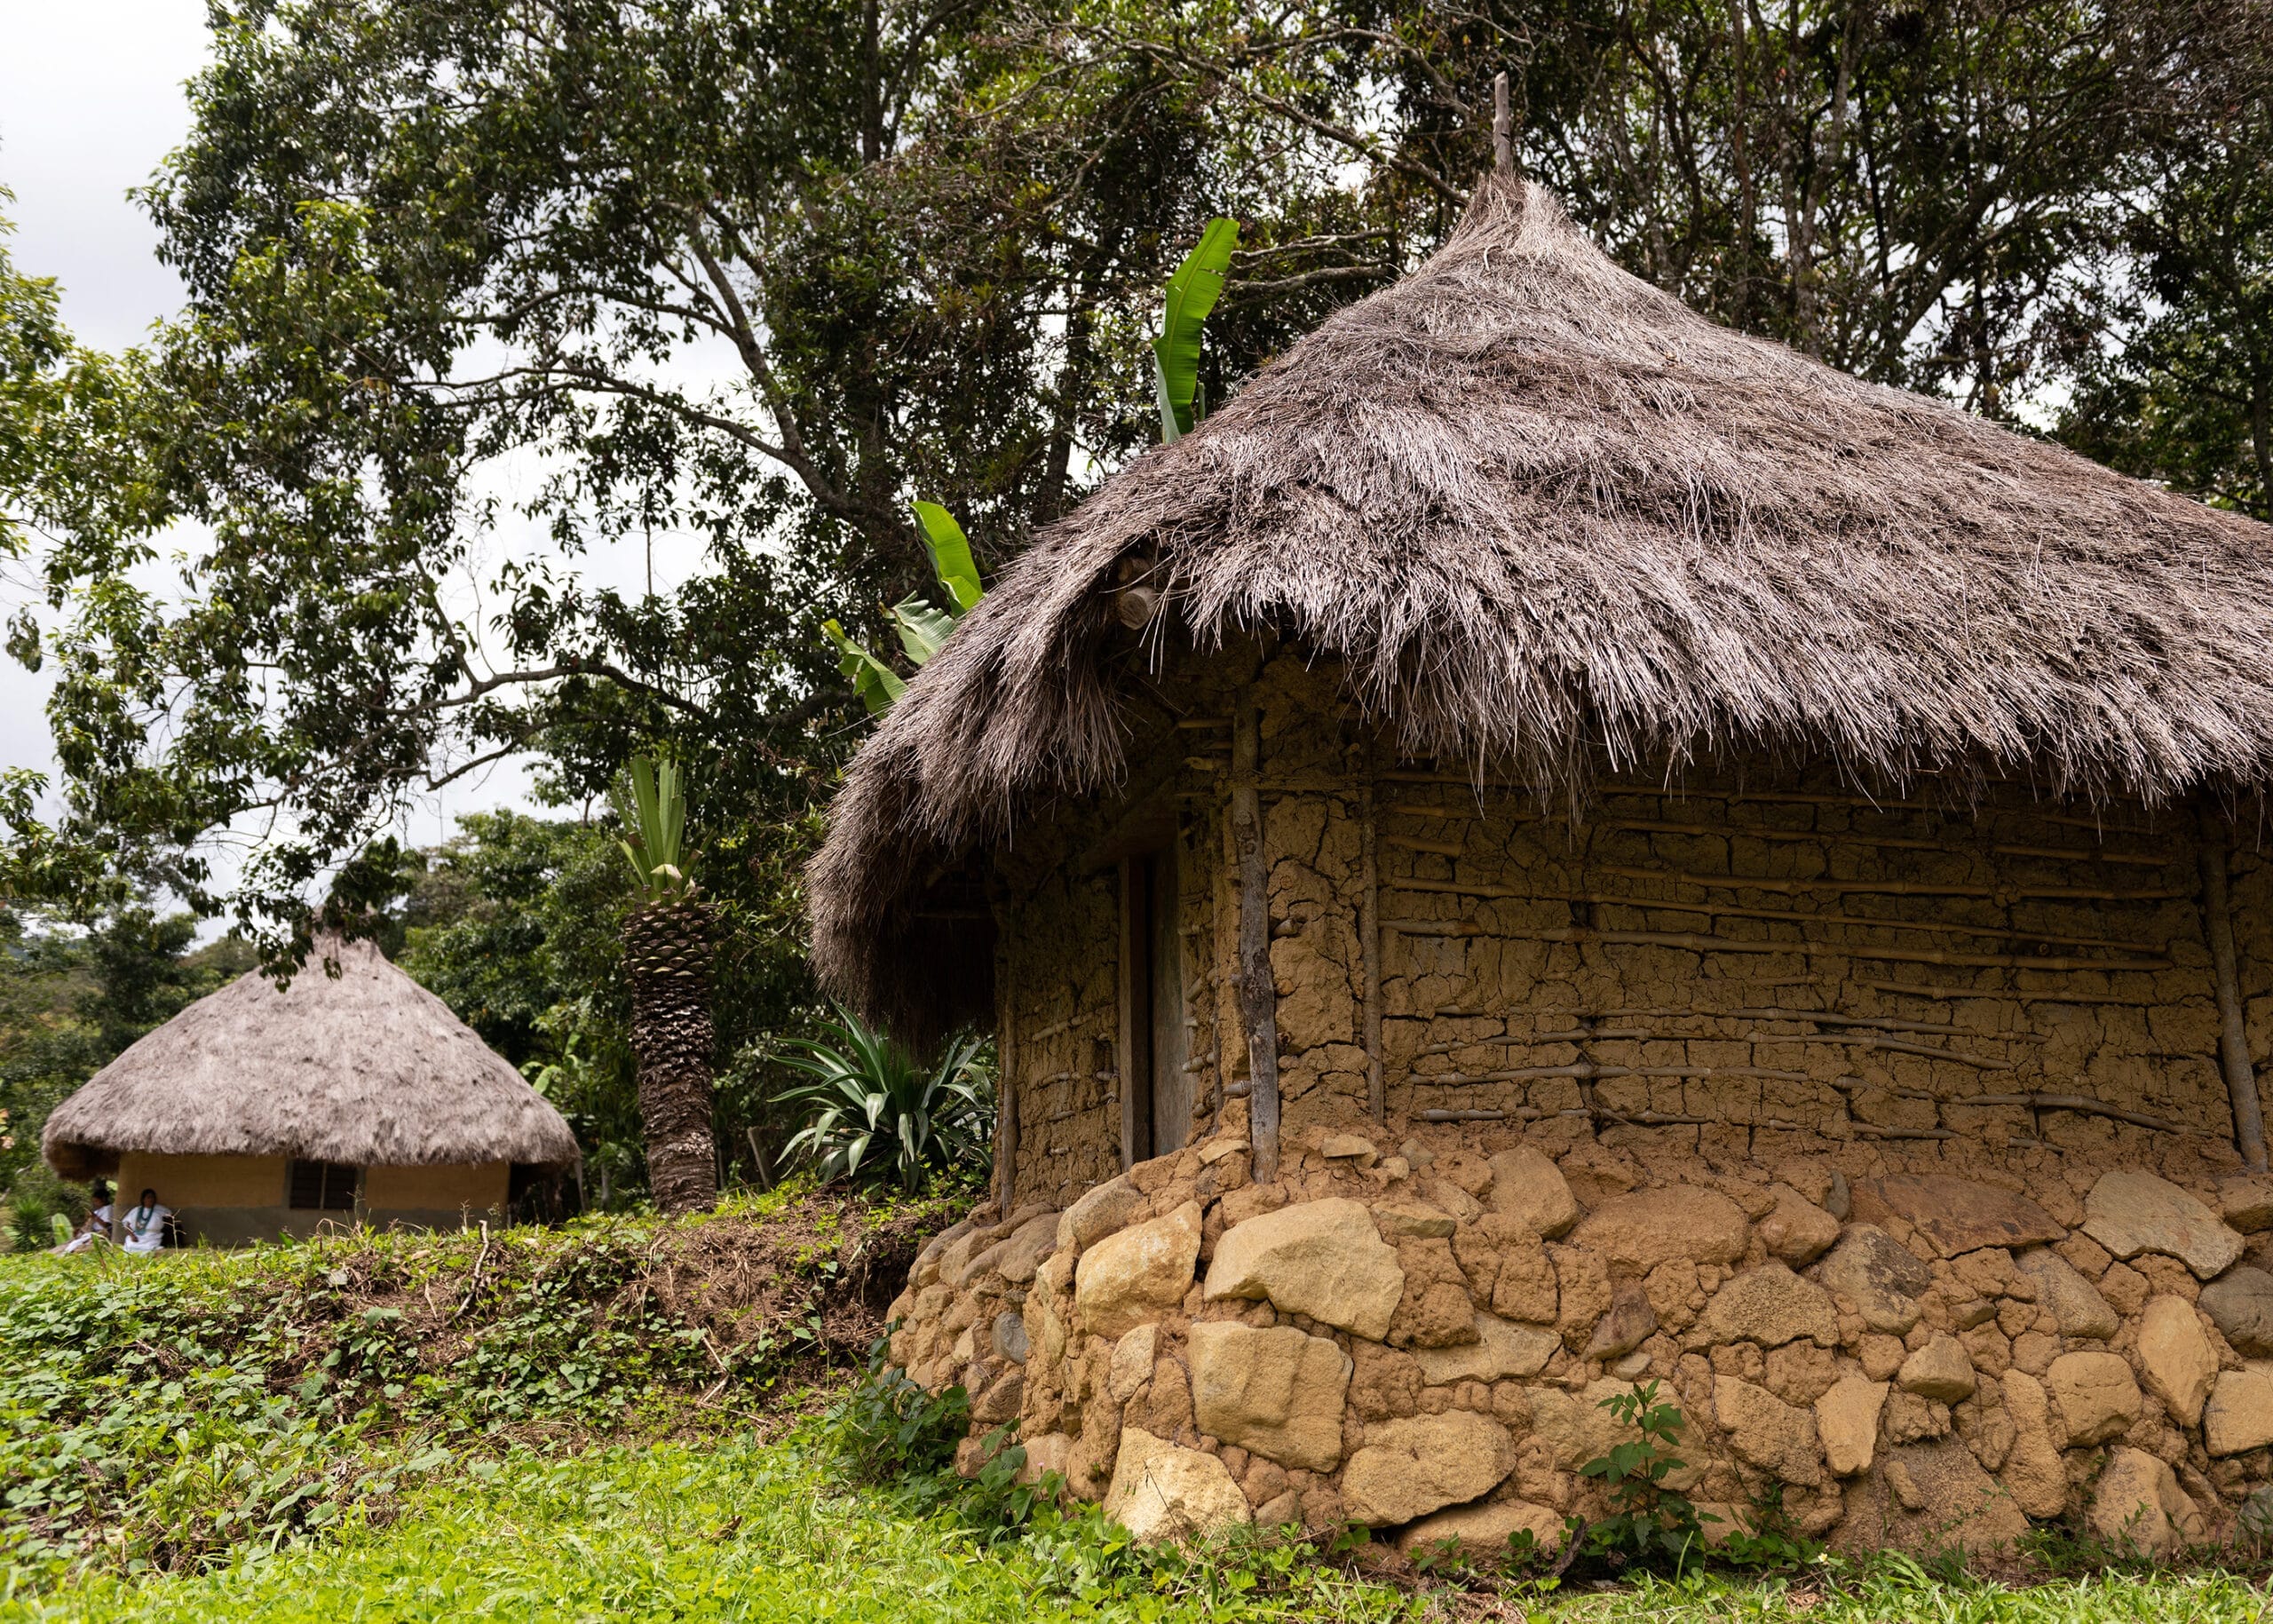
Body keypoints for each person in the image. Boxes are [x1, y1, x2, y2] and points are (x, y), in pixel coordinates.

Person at [58, 1184, 114, 1254]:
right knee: (74, 1241)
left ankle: (65, 1254)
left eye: (96, 1201)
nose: (95, 1203)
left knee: (75, 1244)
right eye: (94, 1201)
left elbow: (107, 1225)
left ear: (104, 1199)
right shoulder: (98, 1210)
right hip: (92, 1232)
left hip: (101, 1233)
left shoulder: (108, 1209)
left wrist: (94, 1217)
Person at [118, 1187, 171, 1256]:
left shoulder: (160, 1210)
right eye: (149, 1197)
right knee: (130, 1245)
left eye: (153, 1197)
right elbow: (126, 1223)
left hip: (153, 1237)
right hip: (137, 1236)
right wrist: (132, 1236)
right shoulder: (136, 1210)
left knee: (150, 1248)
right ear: (143, 1199)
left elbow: (171, 1218)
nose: (151, 1199)